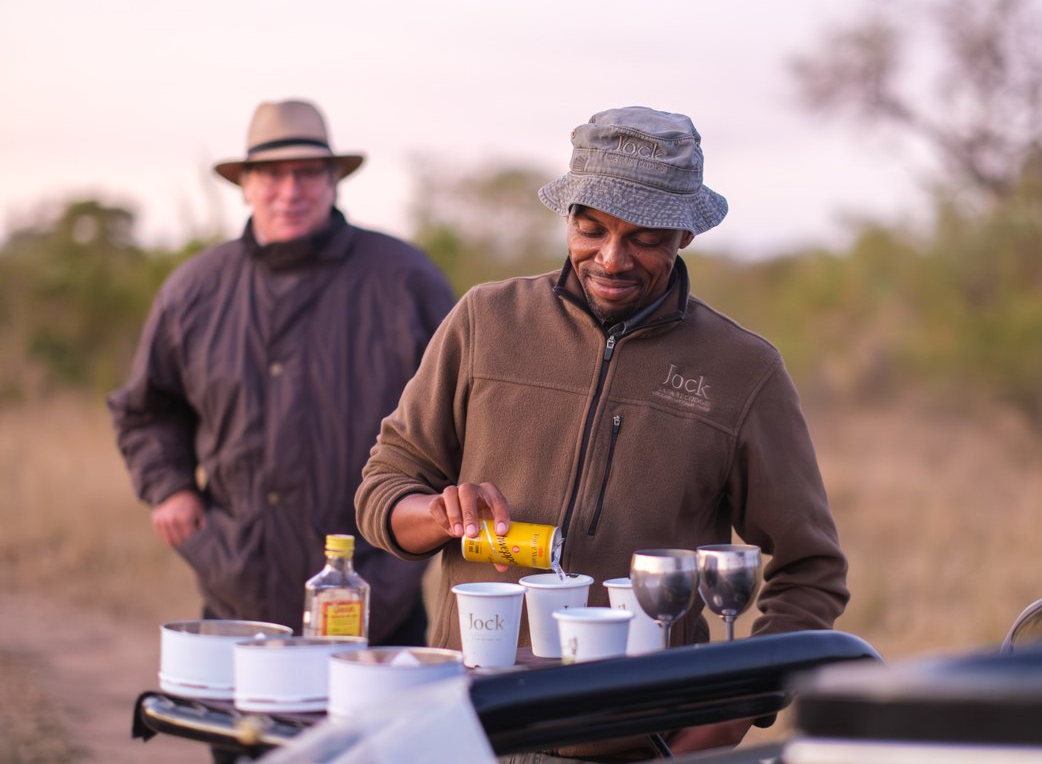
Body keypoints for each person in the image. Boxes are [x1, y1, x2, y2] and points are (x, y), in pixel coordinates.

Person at [356, 106, 849, 757]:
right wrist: (438, 514)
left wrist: (733, 714)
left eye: (645, 238)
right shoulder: (485, 320)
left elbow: (811, 569)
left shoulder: (743, 369)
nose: (611, 259)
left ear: (686, 233)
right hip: (467, 730)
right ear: (568, 217)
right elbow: (382, 489)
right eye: (590, 230)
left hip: (641, 741)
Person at [108, 99, 457, 648]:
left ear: (333, 181)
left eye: (307, 173)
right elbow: (147, 409)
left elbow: (462, 408)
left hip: (379, 589)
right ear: (245, 185)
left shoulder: (404, 279)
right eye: (272, 174)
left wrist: (429, 518)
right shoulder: (195, 289)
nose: (290, 191)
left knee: (374, 708)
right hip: (237, 587)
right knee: (239, 708)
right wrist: (170, 486)